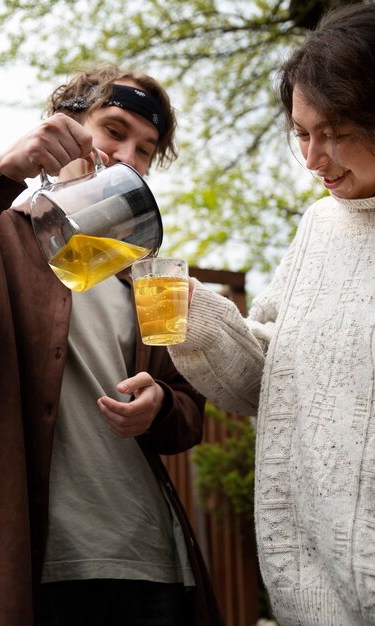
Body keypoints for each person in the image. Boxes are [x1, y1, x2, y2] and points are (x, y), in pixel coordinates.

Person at [0, 64, 225, 626]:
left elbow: (187, 417)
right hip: (36, 572)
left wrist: (160, 405)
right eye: (114, 129)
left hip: (150, 562)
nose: (129, 155)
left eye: (146, 149)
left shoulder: (145, 274)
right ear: (66, 126)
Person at [168, 4, 375, 625]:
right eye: (302, 133)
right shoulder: (318, 226)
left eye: (334, 132)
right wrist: (194, 313)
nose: (313, 159)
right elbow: (270, 379)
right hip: (307, 595)